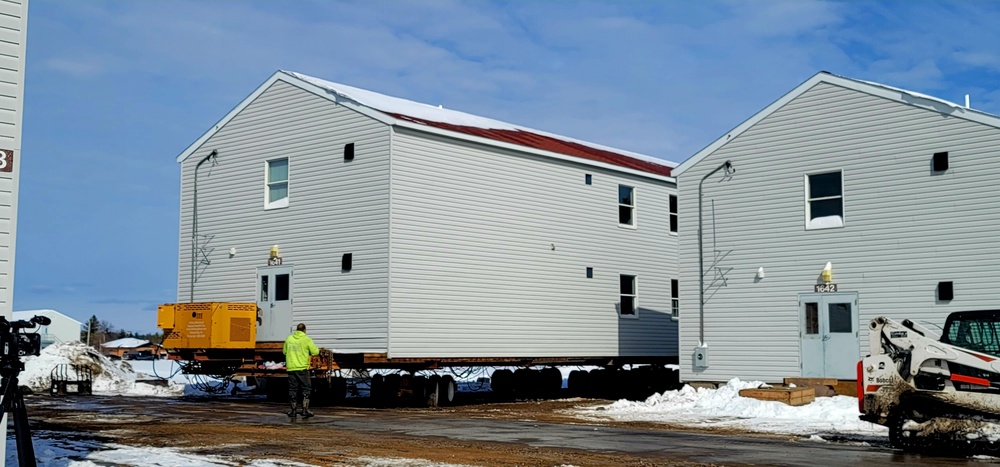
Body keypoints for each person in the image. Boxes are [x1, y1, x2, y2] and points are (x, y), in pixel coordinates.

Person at [283, 323, 320, 418]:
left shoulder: (289, 339)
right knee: (306, 387)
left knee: (293, 388)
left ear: (296, 330)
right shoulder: (306, 339)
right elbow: (315, 352)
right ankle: (305, 409)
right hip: (302, 368)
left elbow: (284, 352)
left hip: (291, 368)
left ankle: (293, 411)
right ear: (305, 330)